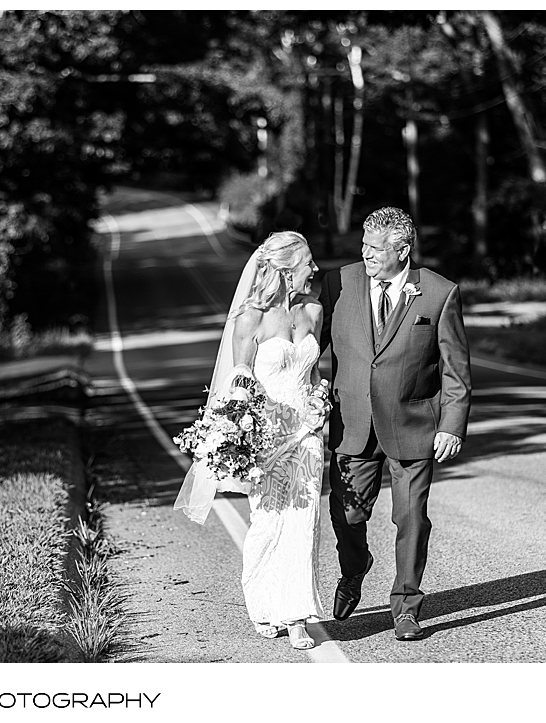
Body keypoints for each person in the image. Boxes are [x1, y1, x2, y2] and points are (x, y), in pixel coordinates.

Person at [318, 207, 472, 641]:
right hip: (351, 422)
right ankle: (354, 567)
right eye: (363, 244)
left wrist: (451, 425)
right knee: (345, 513)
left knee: (411, 518)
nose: (365, 253)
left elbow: (454, 369)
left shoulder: (439, 293)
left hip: (414, 424)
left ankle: (406, 605)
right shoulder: (339, 283)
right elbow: (313, 349)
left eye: (375, 247)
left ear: (402, 251)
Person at [175, 231, 327, 650]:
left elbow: (312, 375)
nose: (314, 270)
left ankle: (297, 615)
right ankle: (265, 603)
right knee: (268, 524)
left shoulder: (313, 312)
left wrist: (319, 398)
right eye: (307, 262)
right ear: (283, 269)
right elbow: (238, 382)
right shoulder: (251, 319)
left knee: (305, 522)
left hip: (307, 436)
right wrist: (236, 435)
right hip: (266, 438)